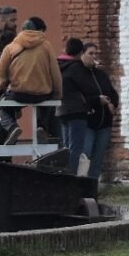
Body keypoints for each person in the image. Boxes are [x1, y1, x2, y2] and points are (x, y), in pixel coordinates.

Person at [0, 17, 63, 145]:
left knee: (0, 107)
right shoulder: (46, 46)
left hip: (18, 93)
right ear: (39, 30)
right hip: (42, 93)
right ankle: (42, 127)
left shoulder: (11, 47)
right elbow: (55, 72)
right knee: (47, 104)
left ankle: (12, 127)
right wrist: (58, 94)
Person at [79, 43, 119, 180]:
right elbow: (80, 98)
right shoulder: (79, 74)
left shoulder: (101, 74)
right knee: (85, 155)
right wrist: (97, 100)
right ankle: (82, 184)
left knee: (98, 158)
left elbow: (112, 92)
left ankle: (93, 185)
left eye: (96, 53)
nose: (94, 56)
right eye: (91, 53)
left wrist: (113, 104)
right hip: (88, 123)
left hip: (104, 123)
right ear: (82, 55)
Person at [56, 38, 88, 173]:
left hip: (61, 110)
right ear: (81, 52)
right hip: (76, 110)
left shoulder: (58, 65)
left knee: (66, 148)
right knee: (75, 148)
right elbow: (86, 88)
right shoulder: (77, 68)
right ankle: (71, 177)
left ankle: (64, 175)